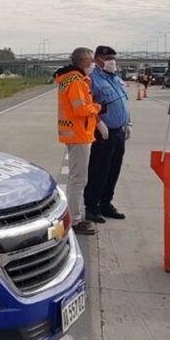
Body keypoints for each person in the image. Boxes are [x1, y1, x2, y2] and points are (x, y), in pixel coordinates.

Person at [53, 47, 102, 235]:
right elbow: (81, 109)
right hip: (79, 134)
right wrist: (97, 107)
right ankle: (74, 219)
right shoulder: (75, 81)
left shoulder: (73, 79)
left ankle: (73, 216)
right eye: (92, 61)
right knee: (78, 179)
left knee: (77, 178)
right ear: (83, 62)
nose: (93, 65)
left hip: (77, 133)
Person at [85, 45, 131, 224]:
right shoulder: (92, 79)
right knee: (99, 170)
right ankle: (91, 206)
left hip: (119, 131)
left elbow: (124, 101)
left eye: (113, 58)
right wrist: (99, 123)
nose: (112, 62)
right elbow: (88, 105)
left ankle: (106, 203)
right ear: (97, 60)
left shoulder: (116, 79)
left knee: (113, 170)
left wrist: (129, 122)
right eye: (108, 58)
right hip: (103, 132)